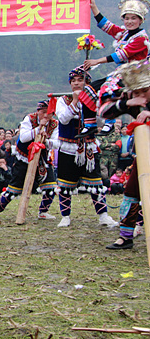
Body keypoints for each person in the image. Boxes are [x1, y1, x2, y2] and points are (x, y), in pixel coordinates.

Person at [54, 65, 118, 228]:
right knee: (65, 184)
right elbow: (63, 119)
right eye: (73, 81)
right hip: (68, 148)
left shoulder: (94, 98)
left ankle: (103, 215)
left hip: (89, 147)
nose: (76, 83)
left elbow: (102, 115)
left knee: (95, 183)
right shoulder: (62, 100)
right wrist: (75, 101)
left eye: (80, 80)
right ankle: (65, 216)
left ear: (87, 82)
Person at [79, 0, 149, 137]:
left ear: (141, 20)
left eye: (133, 18)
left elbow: (122, 55)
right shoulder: (124, 34)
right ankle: (90, 124)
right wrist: (94, 8)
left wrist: (97, 61)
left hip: (136, 75)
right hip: (122, 73)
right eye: (126, 18)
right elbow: (108, 26)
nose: (129, 22)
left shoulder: (141, 39)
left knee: (107, 90)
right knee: (89, 90)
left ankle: (110, 123)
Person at [101, 60, 150, 249]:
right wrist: (127, 102)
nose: (140, 95)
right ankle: (126, 236)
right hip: (144, 155)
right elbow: (104, 111)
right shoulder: (133, 101)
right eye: (136, 92)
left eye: (144, 91)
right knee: (131, 192)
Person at [0, 100, 59, 220]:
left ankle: (43, 212)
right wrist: (38, 129)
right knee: (14, 188)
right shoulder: (29, 119)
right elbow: (23, 138)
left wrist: (45, 141)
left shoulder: (55, 124)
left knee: (50, 186)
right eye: (43, 112)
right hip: (24, 157)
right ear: (38, 111)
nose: (45, 116)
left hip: (42, 159)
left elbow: (56, 143)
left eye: (48, 113)